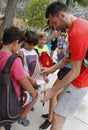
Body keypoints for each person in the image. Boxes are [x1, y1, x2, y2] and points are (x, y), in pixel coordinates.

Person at [40, 1, 88, 130]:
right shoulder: (78, 25)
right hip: (81, 78)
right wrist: (50, 69)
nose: (54, 27)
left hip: (80, 81)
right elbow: (69, 58)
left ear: (62, 15)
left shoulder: (77, 33)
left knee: (57, 117)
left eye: (54, 22)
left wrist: (52, 91)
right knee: (59, 115)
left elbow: (75, 71)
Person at [0, 26, 38, 130]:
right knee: (32, 96)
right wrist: (33, 91)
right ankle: (19, 118)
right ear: (15, 42)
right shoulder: (14, 59)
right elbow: (23, 81)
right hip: (10, 98)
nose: (20, 48)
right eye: (20, 45)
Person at [39, 32, 72, 130]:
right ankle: (52, 114)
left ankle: (50, 119)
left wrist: (65, 54)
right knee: (58, 95)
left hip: (67, 68)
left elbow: (71, 56)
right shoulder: (66, 34)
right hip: (63, 67)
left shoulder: (75, 36)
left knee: (53, 94)